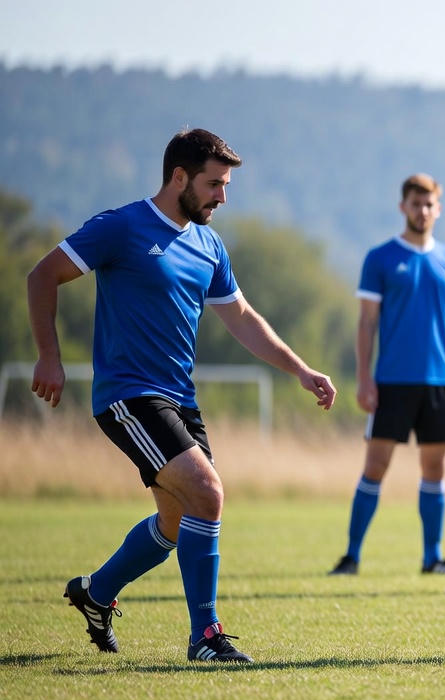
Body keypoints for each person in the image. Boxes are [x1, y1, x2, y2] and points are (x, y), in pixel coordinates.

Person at [28, 128, 337, 663]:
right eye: (215, 184)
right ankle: (206, 637)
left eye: (226, 185)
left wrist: (301, 369)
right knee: (209, 493)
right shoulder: (121, 226)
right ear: (178, 177)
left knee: (176, 522)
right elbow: (42, 276)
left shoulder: (208, 244)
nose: (223, 196)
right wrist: (50, 356)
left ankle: (96, 593)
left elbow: (242, 319)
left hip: (179, 400)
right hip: (128, 395)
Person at [329, 174, 445, 577]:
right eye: (416, 204)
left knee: (435, 470)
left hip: (439, 383)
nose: (422, 211)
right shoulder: (380, 258)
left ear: (438, 209)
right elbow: (366, 323)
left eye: (429, 205)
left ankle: (433, 558)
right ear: (403, 207)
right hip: (391, 381)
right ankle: (351, 556)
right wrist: (363, 377)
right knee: (375, 466)